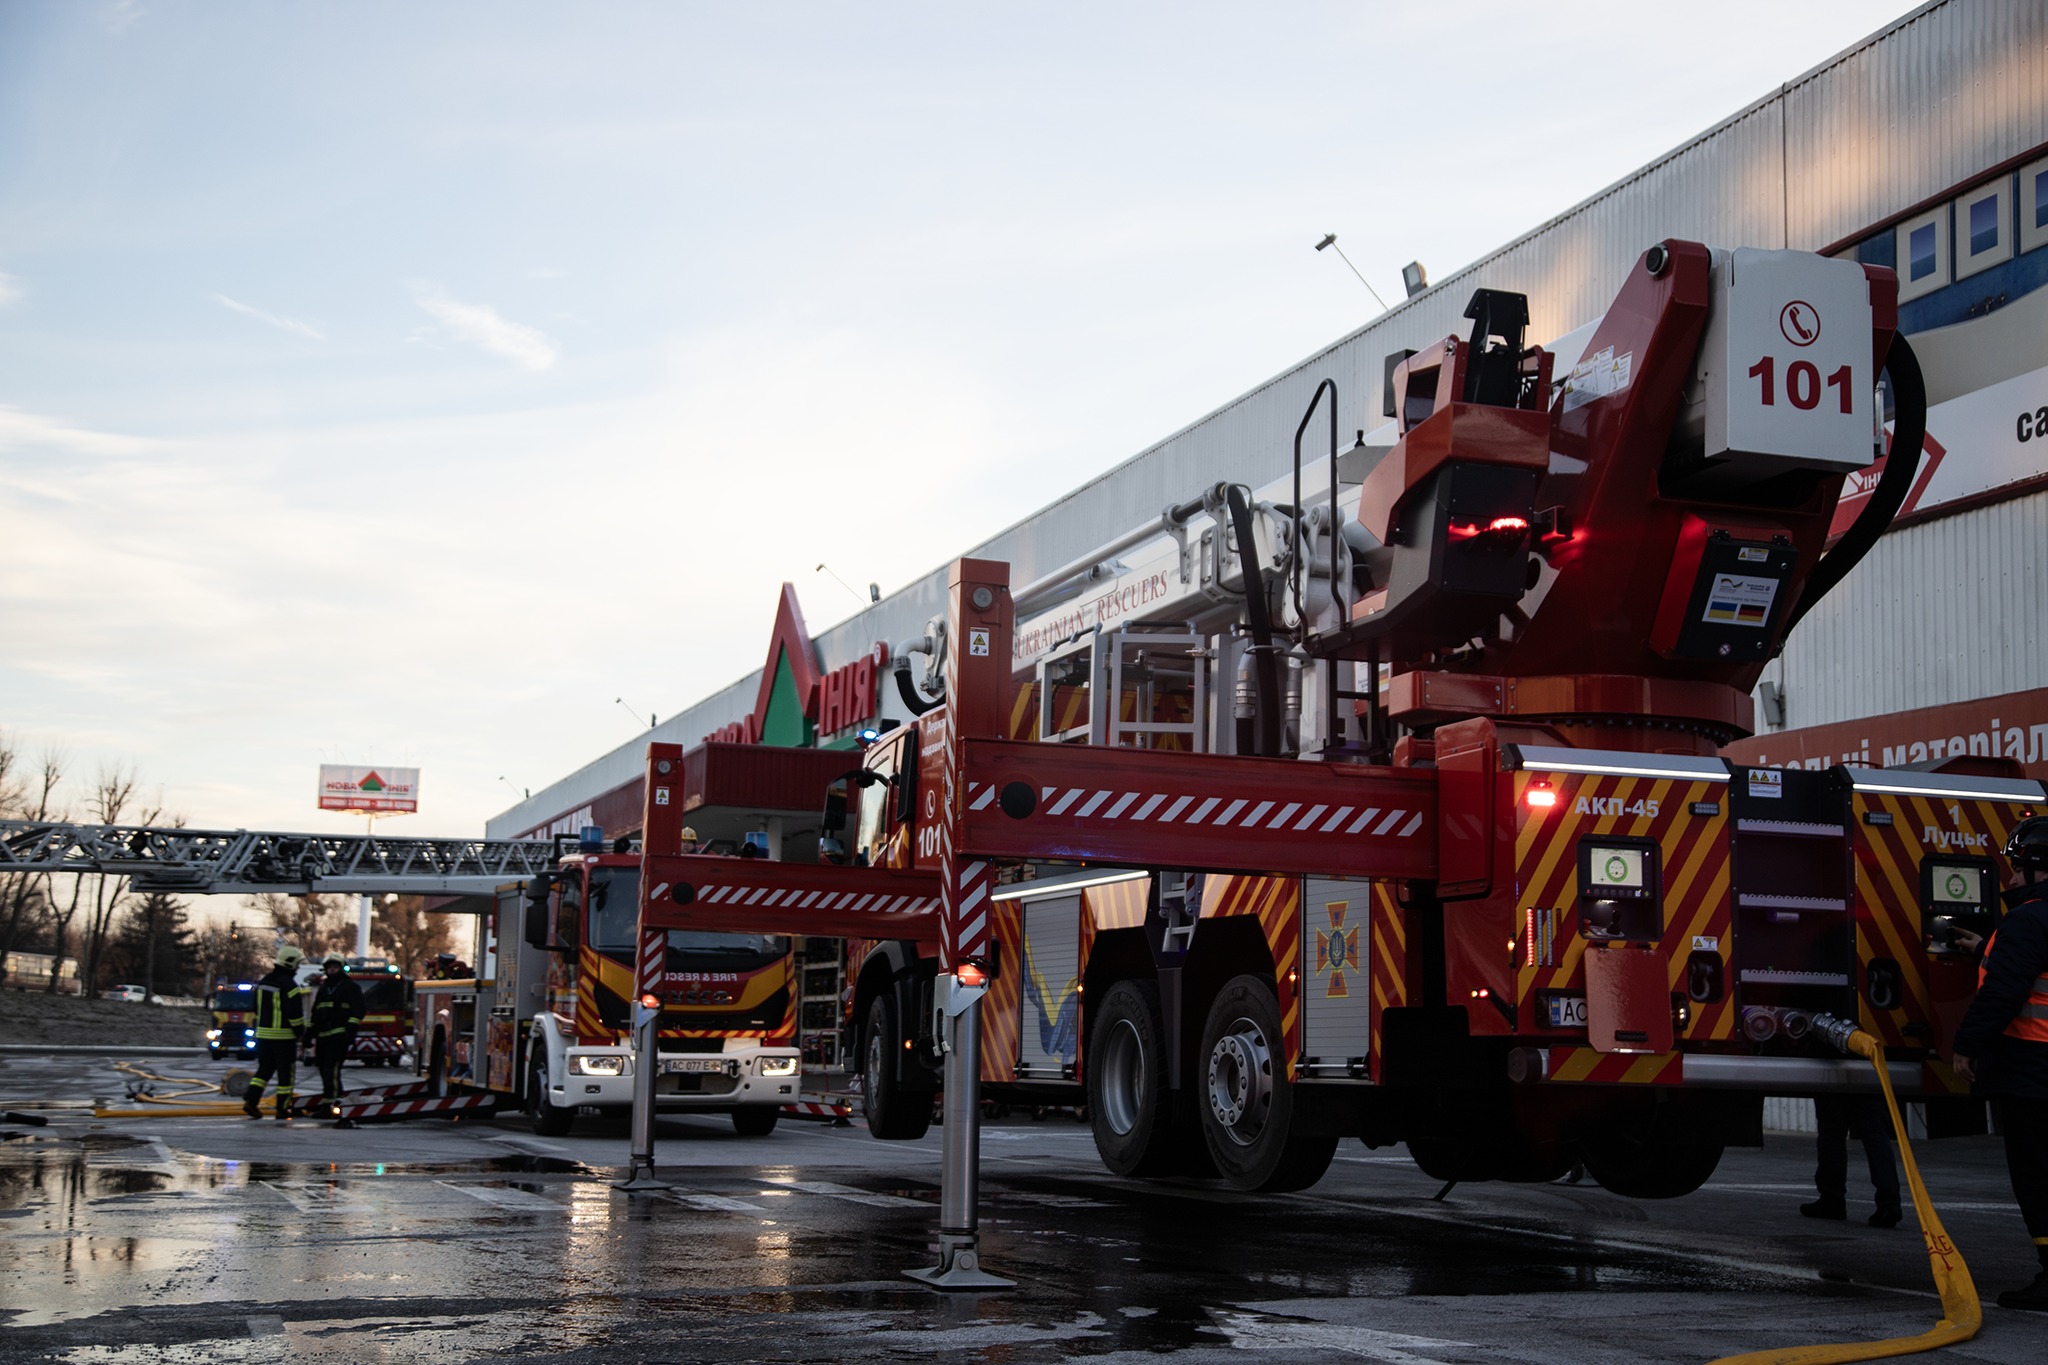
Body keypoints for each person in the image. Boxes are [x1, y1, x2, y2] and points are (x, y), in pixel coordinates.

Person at [1953, 814, 2048, 1312]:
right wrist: (1984, 949)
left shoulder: (2029, 920)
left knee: (2036, 1176)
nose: (2009, 879)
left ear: (2040, 869)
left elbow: (2006, 991)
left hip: (2034, 1071)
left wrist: (1967, 1045)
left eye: (2017, 868)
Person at [1800, 1094, 1901, 1227]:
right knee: (1875, 1134)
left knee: (1831, 1132)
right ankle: (1889, 1203)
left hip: (1834, 1085)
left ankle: (1832, 1199)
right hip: (1871, 1084)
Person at [241, 945, 307, 1121]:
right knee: (286, 1075)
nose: (298, 968)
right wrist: (301, 1032)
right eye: (297, 964)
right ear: (290, 963)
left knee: (264, 1071)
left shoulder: (263, 982)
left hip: (263, 1036)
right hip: (284, 1038)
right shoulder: (290, 986)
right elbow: (294, 1015)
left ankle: (251, 1101)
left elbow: (256, 1008)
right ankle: (282, 1109)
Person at [308, 953, 365, 1106]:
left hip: (339, 1036)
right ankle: (337, 1097)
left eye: (335, 967)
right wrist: (310, 1033)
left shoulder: (350, 987)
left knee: (331, 1069)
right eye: (330, 967)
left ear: (341, 968)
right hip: (323, 1036)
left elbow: (359, 1010)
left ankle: (330, 1103)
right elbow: (315, 1011)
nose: (332, 970)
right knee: (323, 1068)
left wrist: (350, 1030)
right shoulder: (324, 988)